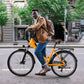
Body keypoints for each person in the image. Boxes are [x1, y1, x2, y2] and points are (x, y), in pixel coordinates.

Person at [25, 8, 50, 76]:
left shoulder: (41, 19)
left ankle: (46, 67)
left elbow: (37, 26)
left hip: (44, 39)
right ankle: (43, 70)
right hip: (41, 39)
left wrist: (29, 27)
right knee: (43, 55)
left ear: (38, 13)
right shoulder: (35, 21)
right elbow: (35, 28)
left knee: (36, 52)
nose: (33, 15)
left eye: (35, 13)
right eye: (33, 14)